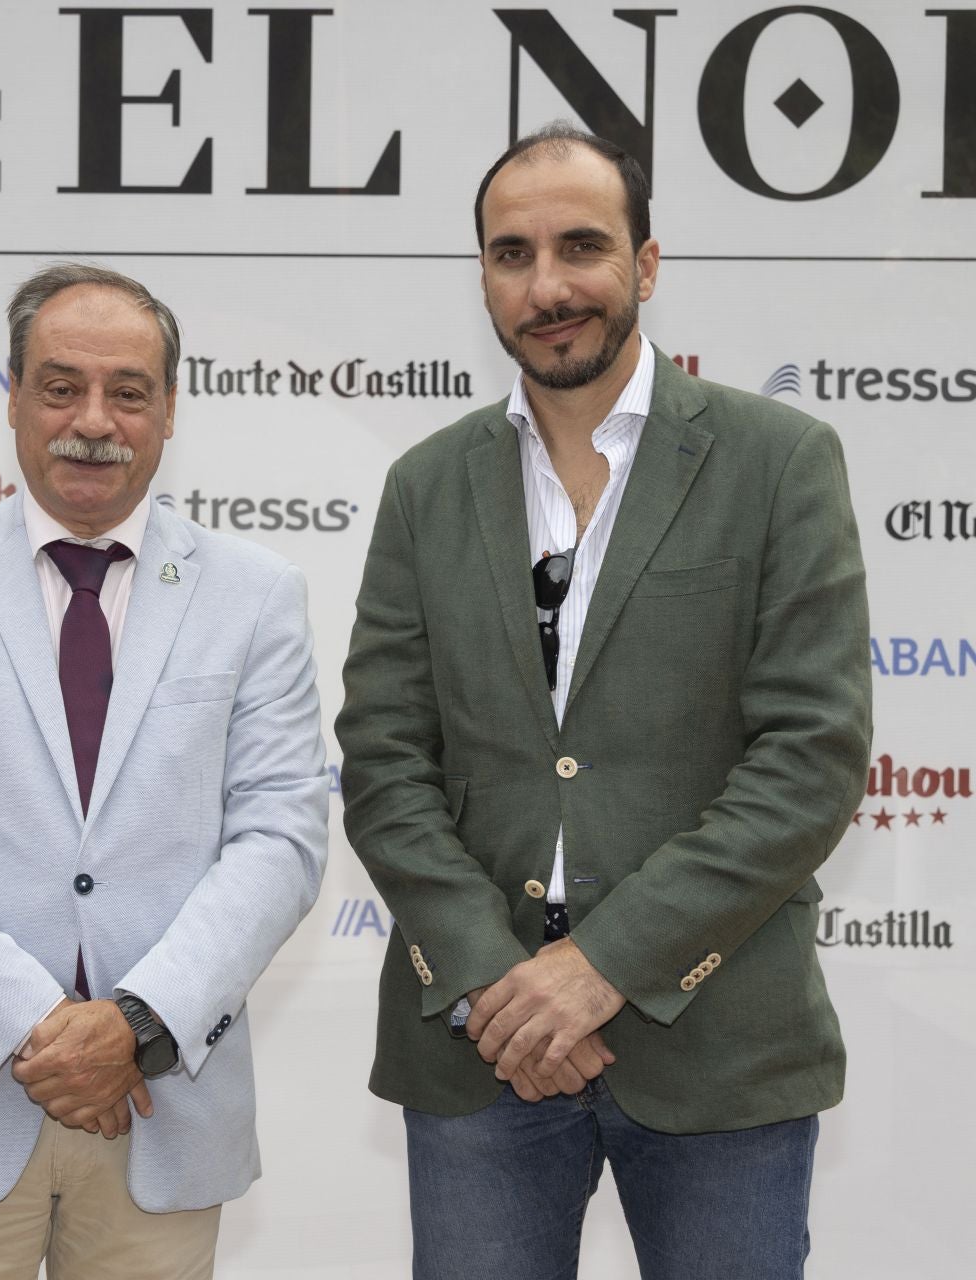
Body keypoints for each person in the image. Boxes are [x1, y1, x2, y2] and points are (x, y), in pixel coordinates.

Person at [334, 122, 872, 1279]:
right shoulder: (426, 486)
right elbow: (384, 762)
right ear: (481, 273)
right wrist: (494, 981)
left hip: (721, 1039)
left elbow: (810, 759)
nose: (549, 284)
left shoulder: (778, 460)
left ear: (647, 261)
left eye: (582, 245)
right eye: (511, 253)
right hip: (484, 1047)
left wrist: (601, 965)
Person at [0, 263, 328, 1278]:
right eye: (60, 387)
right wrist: (39, 1027)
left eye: (128, 391)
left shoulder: (258, 596)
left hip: (162, 1106)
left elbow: (281, 835)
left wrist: (136, 1025)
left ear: (171, 410)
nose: (93, 420)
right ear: (11, 397)